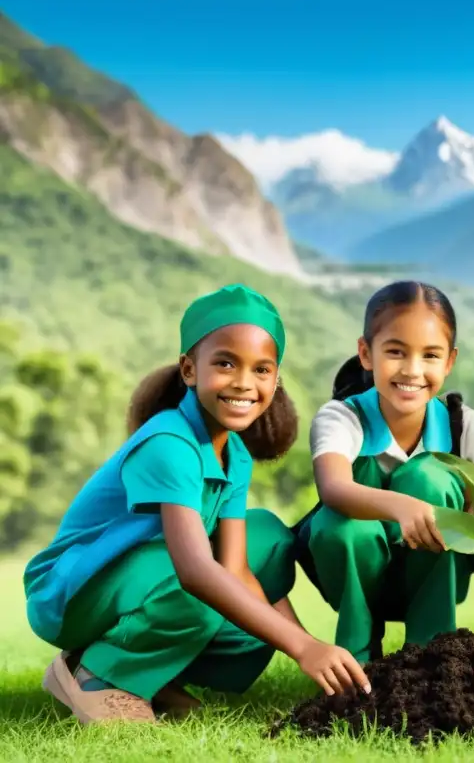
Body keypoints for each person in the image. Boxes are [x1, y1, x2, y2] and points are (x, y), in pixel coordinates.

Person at [23, 284, 371, 726]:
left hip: (143, 579)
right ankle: (97, 675)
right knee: (204, 580)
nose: (244, 382)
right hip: (70, 594)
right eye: (225, 363)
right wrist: (303, 649)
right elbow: (197, 571)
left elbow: (239, 569)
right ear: (190, 369)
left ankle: (154, 673)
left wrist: (307, 648)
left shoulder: (235, 455)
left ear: (275, 378)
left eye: (262, 369)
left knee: (266, 536)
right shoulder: (169, 442)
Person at [293, 281, 474, 665]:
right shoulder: (342, 416)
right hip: (355, 572)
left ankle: (432, 655)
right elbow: (333, 487)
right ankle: (356, 657)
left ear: (449, 362)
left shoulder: (463, 426)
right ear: (365, 354)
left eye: (430, 355)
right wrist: (402, 508)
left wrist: (459, 520)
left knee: (429, 477)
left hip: (434, 574)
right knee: (342, 526)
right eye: (395, 352)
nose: (412, 370)